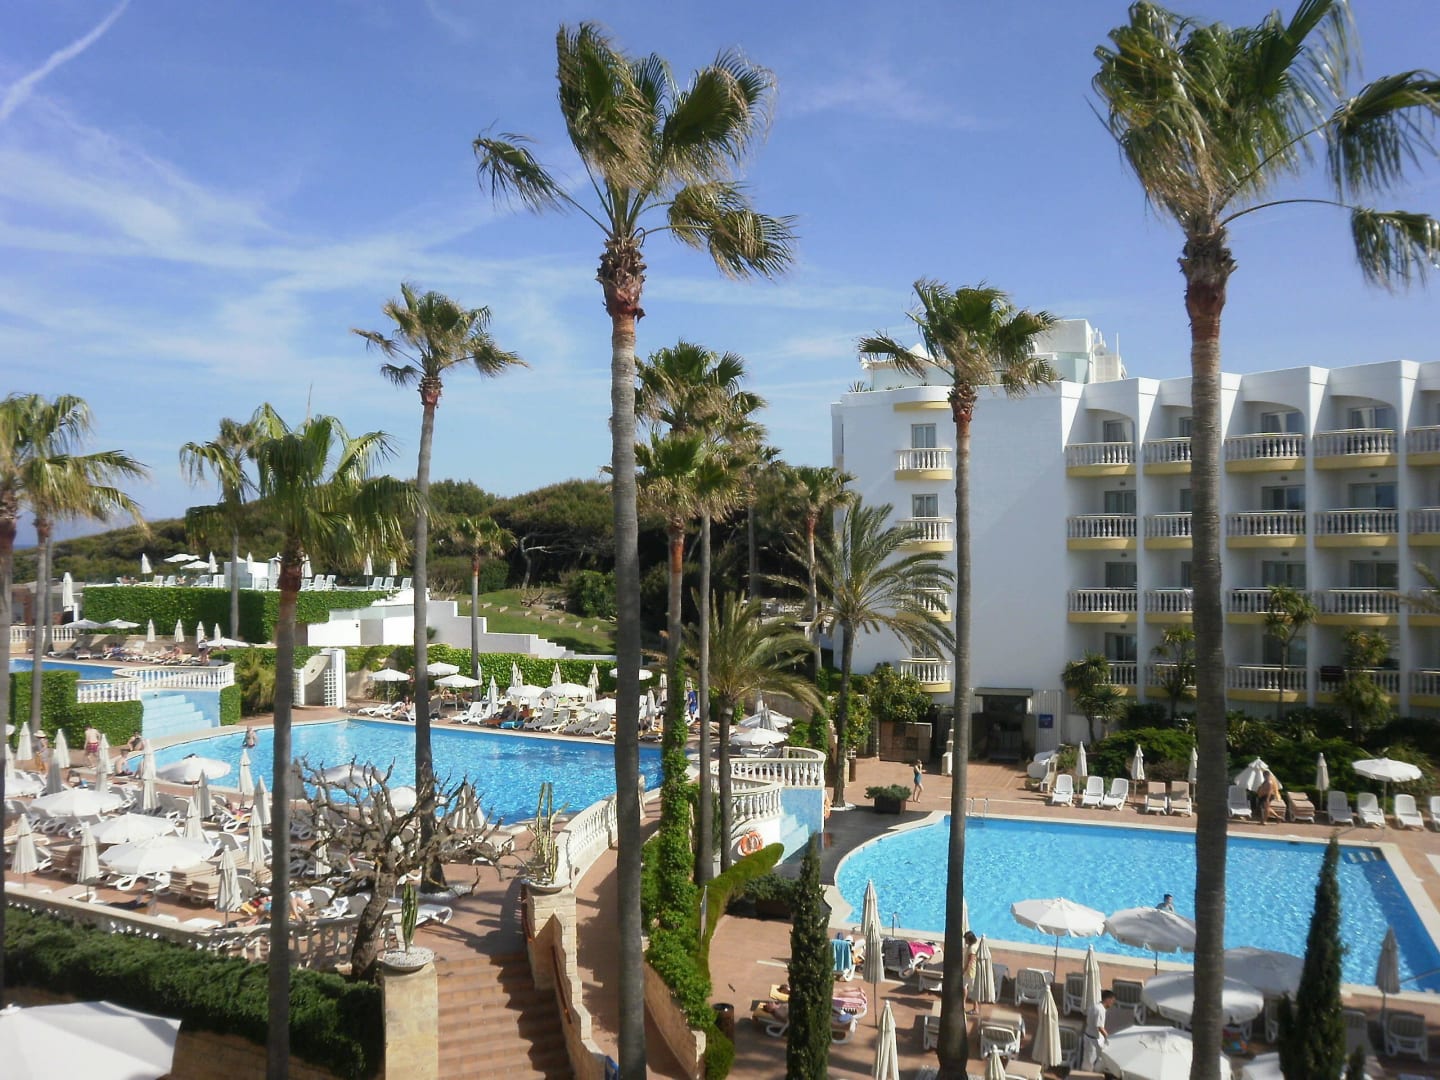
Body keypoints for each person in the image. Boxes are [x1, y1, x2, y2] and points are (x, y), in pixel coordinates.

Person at [1083, 989, 1115, 1069]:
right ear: (1108, 1000)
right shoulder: (1100, 1010)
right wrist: (1108, 1037)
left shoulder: (1095, 1006)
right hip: (1092, 1041)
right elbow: (1099, 1027)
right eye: (1112, 1001)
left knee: (1095, 1061)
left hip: (1092, 1037)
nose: (1112, 1003)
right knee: (1089, 1064)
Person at [962, 930, 980, 1014]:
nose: (965, 941)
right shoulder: (974, 945)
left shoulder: (972, 948)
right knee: (964, 986)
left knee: (972, 990)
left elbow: (970, 962)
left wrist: (963, 971)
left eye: (966, 939)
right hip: (969, 971)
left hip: (971, 972)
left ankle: (976, 1008)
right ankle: (963, 1004)